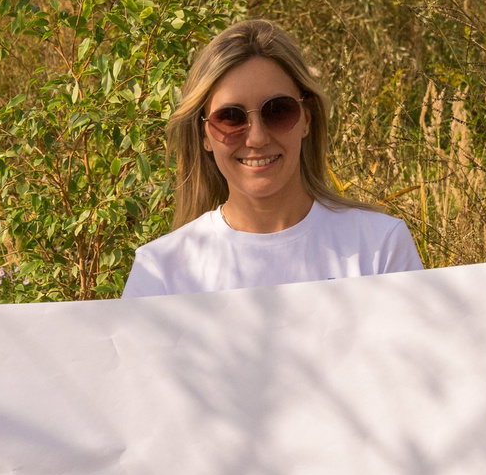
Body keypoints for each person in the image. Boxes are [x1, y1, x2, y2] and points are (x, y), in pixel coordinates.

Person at [122, 18, 422, 298]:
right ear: (204, 135)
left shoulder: (381, 247)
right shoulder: (160, 272)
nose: (256, 138)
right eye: (229, 118)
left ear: (307, 118)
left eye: (278, 111)